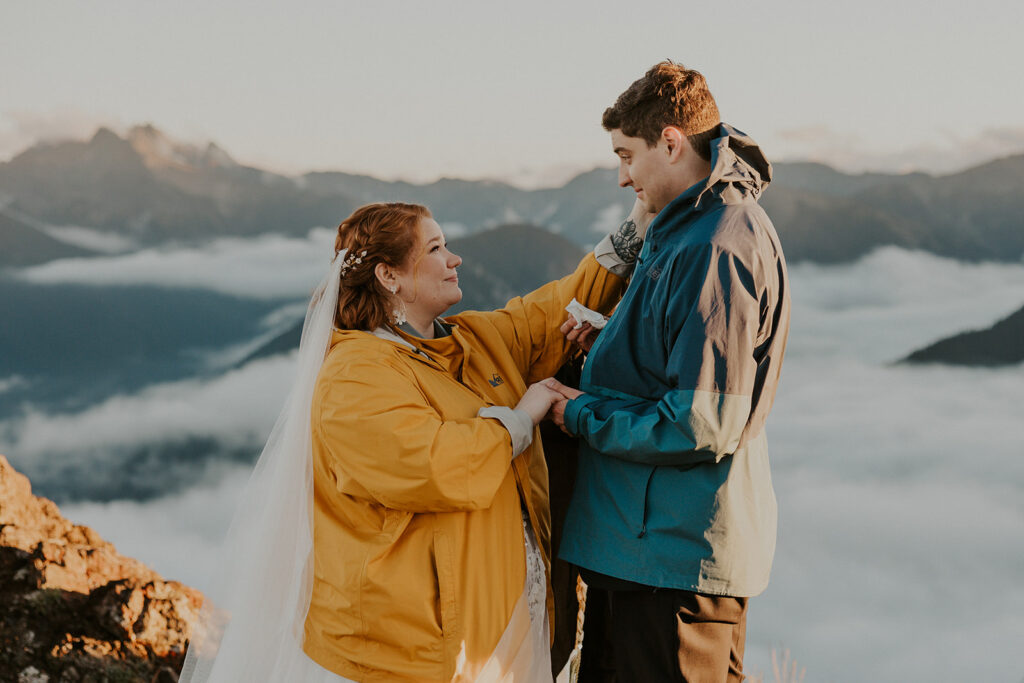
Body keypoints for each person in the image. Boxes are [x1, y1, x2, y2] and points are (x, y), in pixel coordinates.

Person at [180, 201, 645, 682]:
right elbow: (436, 465)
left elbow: (549, 312)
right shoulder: (353, 375)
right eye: (436, 247)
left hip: (492, 626)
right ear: (389, 276)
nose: (455, 258)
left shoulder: (470, 341)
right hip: (405, 649)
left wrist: (641, 218)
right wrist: (521, 419)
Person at [547, 61, 792, 682]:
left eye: (626, 154)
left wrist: (576, 412)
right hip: (645, 553)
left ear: (673, 142)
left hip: (672, 566)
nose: (621, 175)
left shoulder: (714, 245)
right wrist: (612, 342)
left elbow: (700, 420)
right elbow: (679, 358)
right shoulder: (685, 229)